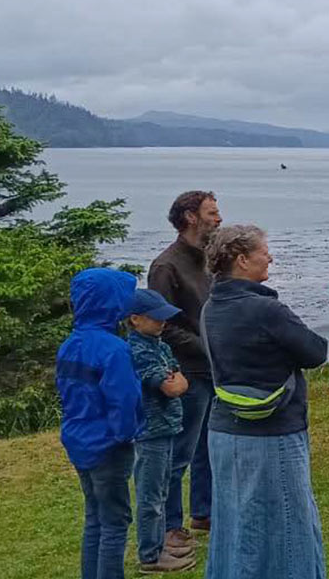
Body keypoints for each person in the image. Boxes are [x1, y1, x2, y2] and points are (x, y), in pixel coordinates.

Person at [201, 224, 329, 579]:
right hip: (273, 430)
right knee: (289, 522)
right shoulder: (266, 309)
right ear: (242, 260)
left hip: (225, 428)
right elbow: (316, 352)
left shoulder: (211, 307)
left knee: (233, 520)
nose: (270, 256)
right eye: (264, 251)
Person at [58, 268, 142, 579]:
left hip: (80, 438)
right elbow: (124, 399)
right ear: (111, 303)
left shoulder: (71, 344)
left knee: (94, 517)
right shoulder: (114, 349)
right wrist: (127, 434)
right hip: (109, 445)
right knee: (115, 524)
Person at [147, 190, 220, 547]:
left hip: (211, 370)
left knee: (209, 447)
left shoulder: (208, 260)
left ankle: (204, 511)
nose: (218, 219)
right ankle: (170, 525)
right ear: (190, 217)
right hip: (187, 370)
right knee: (180, 452)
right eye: (212, 212)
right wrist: (206, 347)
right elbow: (162, 323)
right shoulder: (166, 266)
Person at [127, 288, 196, 573]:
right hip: (150, 431)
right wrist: (175, 383)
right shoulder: (138, 350)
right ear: (135, 319)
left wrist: (176, 383)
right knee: (151, 496)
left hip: (168, 427)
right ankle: (150, 554)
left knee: (164, 488)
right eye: (156, 318)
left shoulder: (161, 346)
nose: (162, 323)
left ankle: (159, 544)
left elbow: (181, 381)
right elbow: (170, 386)